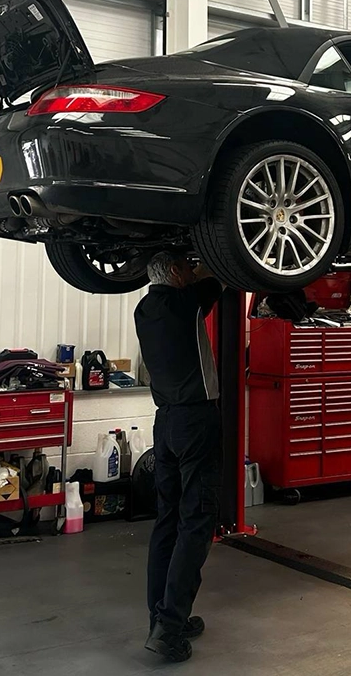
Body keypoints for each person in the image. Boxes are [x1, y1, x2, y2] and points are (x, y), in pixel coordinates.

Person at [134, 251, 223, 663]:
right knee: (197, 520)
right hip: (195, 422)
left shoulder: (144, 309)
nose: (192, 271)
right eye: (186, 266)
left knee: (167, 521)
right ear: (174, 272)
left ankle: (162, 617)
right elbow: (221, 270)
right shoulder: (186, 302)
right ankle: (169, 629)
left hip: (165, 422)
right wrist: (210, 248)